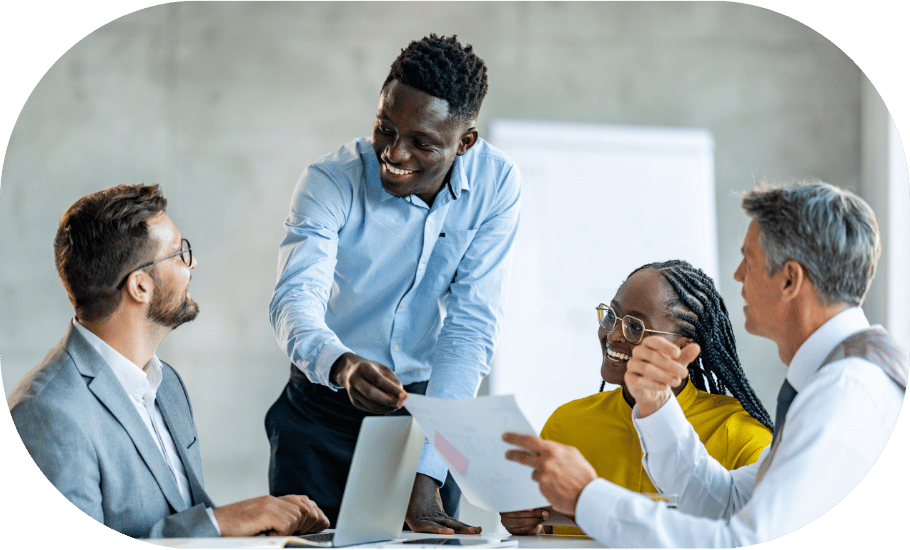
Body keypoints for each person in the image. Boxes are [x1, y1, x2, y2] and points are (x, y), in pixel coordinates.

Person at [503, 181, 908, 546]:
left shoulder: (845, 393)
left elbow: (742, 541)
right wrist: (658, 405)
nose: (737, 275)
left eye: (748, 260)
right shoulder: (838, 381)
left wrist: (588, 496)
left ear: (789, 280)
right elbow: (725, 501)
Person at [266, 34, 520, 534]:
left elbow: (470, 329)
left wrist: (429, 468)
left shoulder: (496, 184)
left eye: (422, 142)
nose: (395, 152)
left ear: (464, 142)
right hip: (321, 409)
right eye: (385, 128)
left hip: (425, 414)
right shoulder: (330, 180)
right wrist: (340, 364)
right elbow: (295, 299)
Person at [8, 184, 329, 539]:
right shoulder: (46, 412)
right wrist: (219, 522)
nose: (192, 264)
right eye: (179, 253)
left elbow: (187, 521)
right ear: (140, 287)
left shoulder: (167, 384)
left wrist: (255, 531)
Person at [500, 260, 772, 535]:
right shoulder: (565, 424)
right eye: (611, 317)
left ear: (682, 348)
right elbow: (546, 528)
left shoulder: (743, 436)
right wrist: (528, 525)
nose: (614, 335)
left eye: (635, 327)